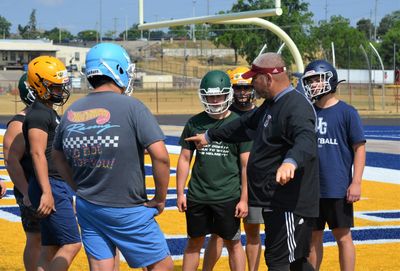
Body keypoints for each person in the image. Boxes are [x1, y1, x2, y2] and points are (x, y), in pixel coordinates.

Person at [186, 53, 319, 271]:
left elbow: (306, 139)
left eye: (254, 78)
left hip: (291, 203)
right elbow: (242, 126)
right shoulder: (271, 105)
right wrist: (209, 136)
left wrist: (291, 162)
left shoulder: (295, 106)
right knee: (293, 262)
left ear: (268, 79)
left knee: (281, 261)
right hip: (275, 200)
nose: (251, 84)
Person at [52, 42, 173, 271]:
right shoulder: (133, 107)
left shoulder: (71, 111)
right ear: (116, 69)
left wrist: (77, 188)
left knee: (101, 265)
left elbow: (57, 156)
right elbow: (161, 157)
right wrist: (159, 197)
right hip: (127, 207)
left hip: (89, 205)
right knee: (162, 266)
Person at [176, 70, 250, 271]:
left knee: (233, 243)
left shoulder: (239, 123)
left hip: (227, 195)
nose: (215, 100)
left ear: (228, 95)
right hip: (198, 195)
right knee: (193, 243)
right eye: (210, 96)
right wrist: (181, 192)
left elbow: (246, 165)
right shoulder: (194, 122)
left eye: (219, 95)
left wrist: (244, 199)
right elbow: (184, 159)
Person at [301, 60, 366, 271]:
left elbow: (359, 148)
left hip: (337, 186)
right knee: (313, 237)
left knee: (343, 236)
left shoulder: (347, 112)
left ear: (330, 80)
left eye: (316, 80)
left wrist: (356, 182)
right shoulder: (306, 112)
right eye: (309, 81)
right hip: (311, 187)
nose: (312, 85)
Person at [23, 56, 82, 270]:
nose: (60, 91)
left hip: (54, 184)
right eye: (54, 87)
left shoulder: (47, 111)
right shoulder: (39, 114)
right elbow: (37, 153)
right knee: (72, 243)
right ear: (39, 85)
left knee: (51, 247)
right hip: (50, 184)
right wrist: (47, 191)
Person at [203, 67, 263, 271]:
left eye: (246, 88)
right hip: (227, 182)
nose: (243, 93)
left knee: (253, 231)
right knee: (218, 234)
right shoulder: (225, 114)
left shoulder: (262, 114)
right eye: (237, 88)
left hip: (254, 181)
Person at [3, 73, 41, 271]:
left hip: (52, 188)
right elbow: (12, 162)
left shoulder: (50, 117)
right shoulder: (19, 123)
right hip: (32, 188)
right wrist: (26, 191)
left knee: (56, 241)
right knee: (36, 238)